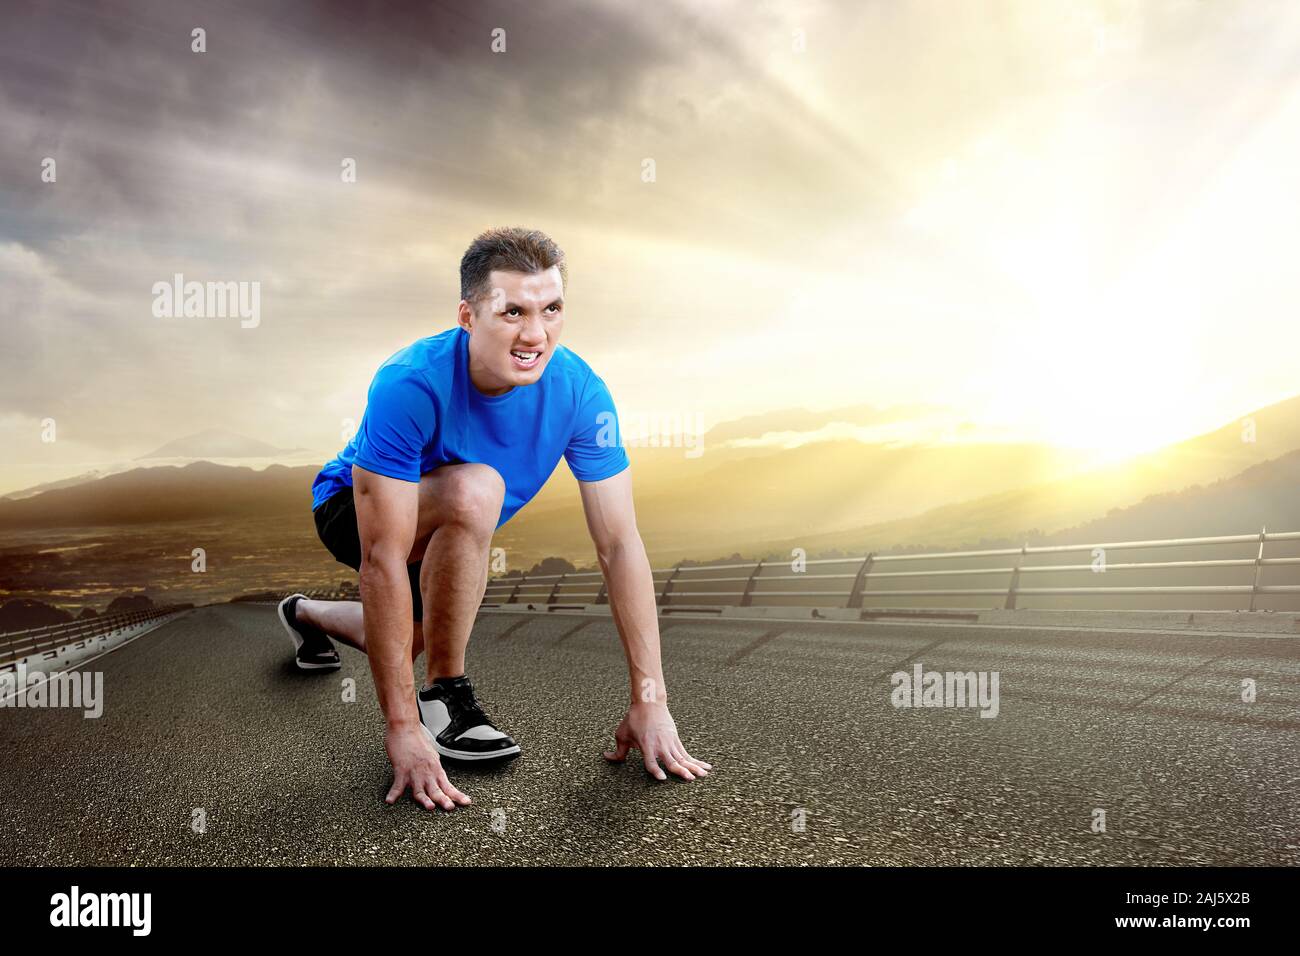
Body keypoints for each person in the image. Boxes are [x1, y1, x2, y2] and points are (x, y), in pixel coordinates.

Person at [277, 226, 710, 812]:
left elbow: (619, 543)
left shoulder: (581, 392)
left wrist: (651, 699)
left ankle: (305, 614)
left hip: (454, 526)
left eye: (551, 308)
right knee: (477, 489)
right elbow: (382, 559)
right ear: (468, 315)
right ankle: (444, 695)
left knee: (408, 637)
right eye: (512, 312)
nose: (536, 334)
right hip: (354, 512)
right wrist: (400, 727)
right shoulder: (409, 382)